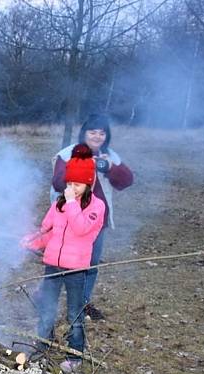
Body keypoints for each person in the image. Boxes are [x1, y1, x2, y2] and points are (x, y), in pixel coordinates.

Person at [25, 144, 105, 373]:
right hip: (53, 265)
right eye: (69, 183)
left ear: (89, 183)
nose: (72, 188)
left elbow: (80, 228)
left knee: (74, 312)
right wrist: (33, 240)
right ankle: (42, 345)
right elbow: (48, 230)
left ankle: (75, 354)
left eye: (77, 184)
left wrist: (70, 203)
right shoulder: (59, 203)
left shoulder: (95, 207)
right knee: (47, 306)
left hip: (76, 268)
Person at [51, 114, 133, 320]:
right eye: (93, 132)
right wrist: (83, 166)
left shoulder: (110, 156)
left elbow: (126, 181)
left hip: (97, 221)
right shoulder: (68, 154)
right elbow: (58, 183)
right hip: (69, 219)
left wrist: (111, 168)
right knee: (61, 262)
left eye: (102, 133)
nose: (97, 136)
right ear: (84, 133)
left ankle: (82, 304)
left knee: (91, 264)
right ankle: (47, 300)